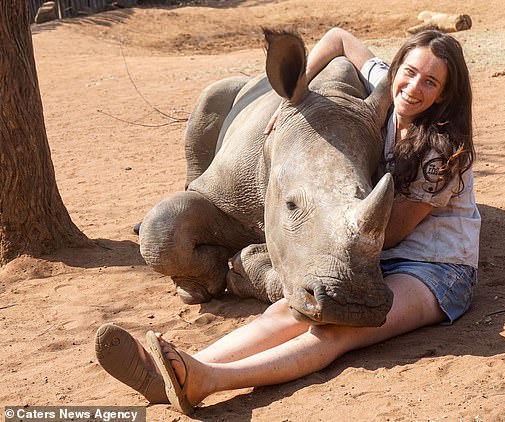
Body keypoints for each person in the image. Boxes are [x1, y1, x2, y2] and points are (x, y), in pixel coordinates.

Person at [95, 27, 480, 415]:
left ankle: (205, 379)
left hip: (435, 269)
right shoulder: (385, 92)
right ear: (395, 69)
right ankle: (171, 370)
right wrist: (292, 97)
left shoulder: (441, 153)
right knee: (286, 310)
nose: (414, 87)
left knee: (336, 331)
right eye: (409, 72)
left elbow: (391, 233)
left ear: (445, 94)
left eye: (430, 82)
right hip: (379, 260)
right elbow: (338, 38)